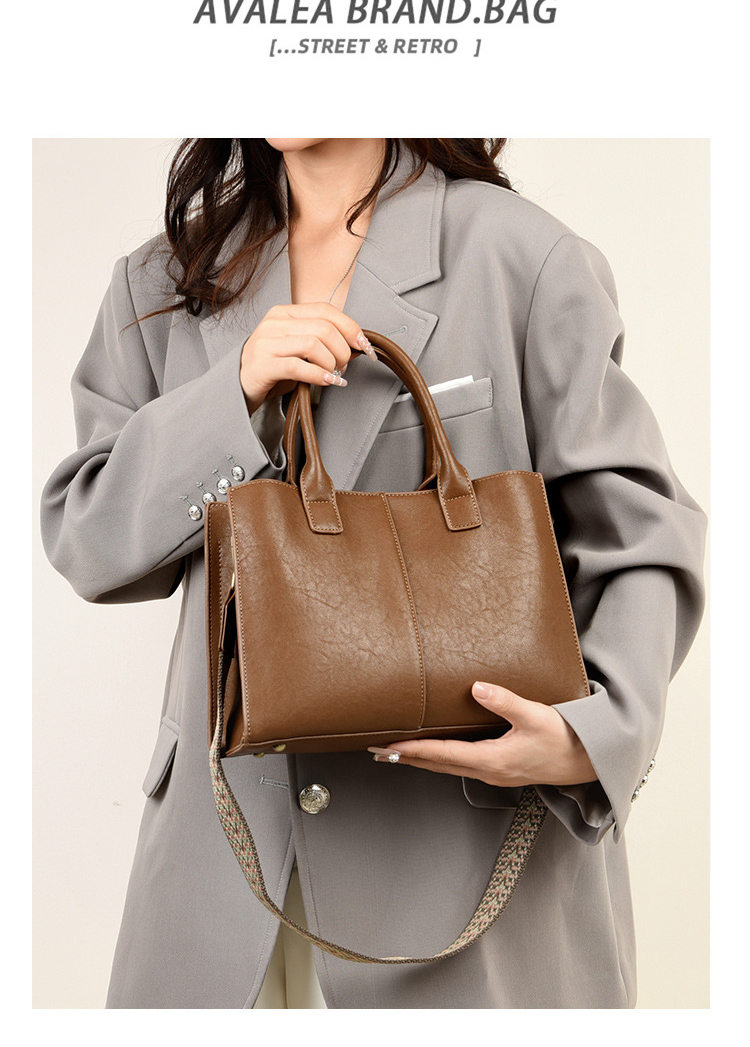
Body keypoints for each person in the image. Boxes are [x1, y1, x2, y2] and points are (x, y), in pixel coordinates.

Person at [39, 138, 707, 1009]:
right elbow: (89, 540)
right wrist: (231, 397)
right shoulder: (163, 280)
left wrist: (594, 734)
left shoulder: (520, 255)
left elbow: (642, 530)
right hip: (217, 886)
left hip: (461, 871)